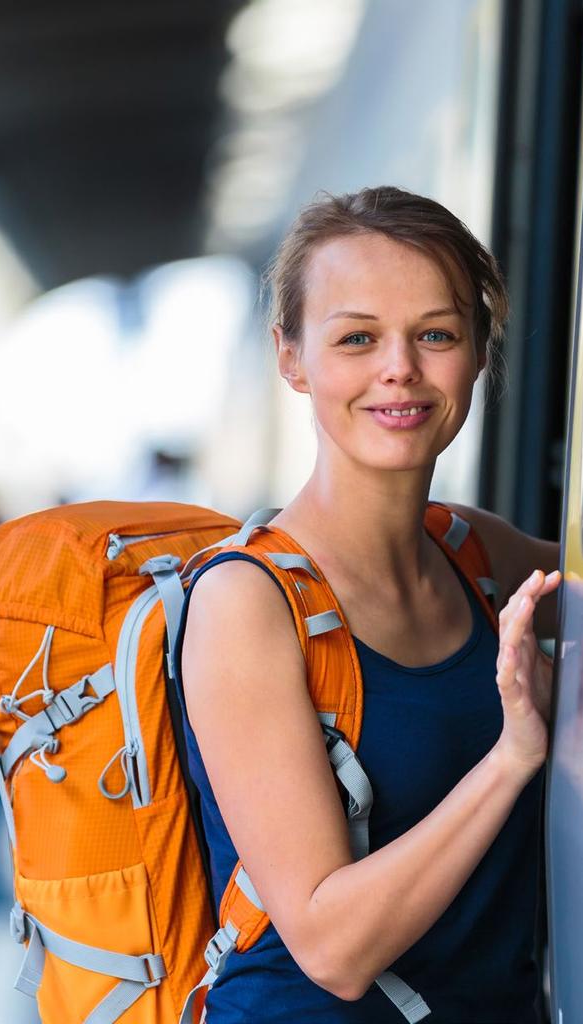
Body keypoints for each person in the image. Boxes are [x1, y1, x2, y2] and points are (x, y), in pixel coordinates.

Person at [177, 187, 561, 1022]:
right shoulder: (249, 602)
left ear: (478, 351)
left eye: (436, 334)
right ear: (292, 358)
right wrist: (513, 756)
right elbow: (333, 948)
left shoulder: (475, 556)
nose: (401, 369)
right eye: (357, 338)